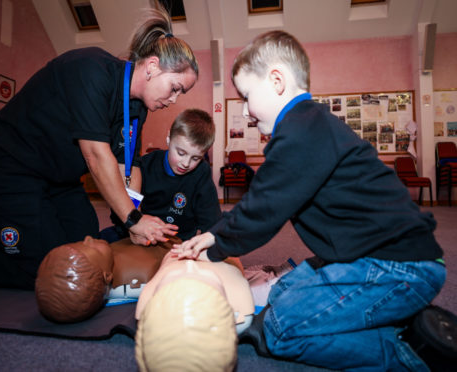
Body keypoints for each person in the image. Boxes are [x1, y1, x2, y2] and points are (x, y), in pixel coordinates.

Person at [173, 30, 446, 371]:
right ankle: (406, 322)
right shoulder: (312, 123)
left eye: (246, 96)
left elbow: (263, 209)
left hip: (398, 267)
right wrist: (214, 234)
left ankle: (412, 354)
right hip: (385, 257)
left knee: (278, 329)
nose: (245, 110)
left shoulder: (300, 130)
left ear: (276, 81)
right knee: (281, 291)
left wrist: (214, 246)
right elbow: (263, 198)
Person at [0, 5, 198, 290]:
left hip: (59, 181)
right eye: (174, 88)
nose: (173, 99)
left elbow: (128, 167)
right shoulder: (91, 69)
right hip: (7, 170)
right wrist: (134, 220)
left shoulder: (137, 108)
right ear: (152, 67)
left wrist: (129, 219)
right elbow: (97, 157)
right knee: (54, 272)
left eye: (180, 93)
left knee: (89, 254)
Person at [35, 236, 255, 336]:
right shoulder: (136, 273)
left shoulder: (106, 258)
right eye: (88, 246)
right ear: (107, 275)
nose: (88, 238)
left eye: (82, 243)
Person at [100, 108, 221, 243]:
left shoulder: (201, 172)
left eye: (195, 158)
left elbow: (211, 221)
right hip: (139, 236)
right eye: (181, 153)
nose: (186, 163)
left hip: (179, 241)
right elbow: (120, 213)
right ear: (169, 139)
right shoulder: (144, 166)